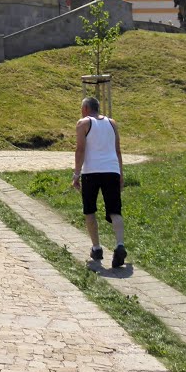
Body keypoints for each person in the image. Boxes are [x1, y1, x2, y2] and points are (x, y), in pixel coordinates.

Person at [72, 96, 127, 268]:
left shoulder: (83, 123)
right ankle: (120, 244)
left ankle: (96, 248)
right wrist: (120, 174)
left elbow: (80, 150)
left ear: (86, 109)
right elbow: (117, 150)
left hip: (92, 172)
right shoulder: (112, 123)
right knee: (114, 210)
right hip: (111, 170)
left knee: (90, 210)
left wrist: (76, 174)